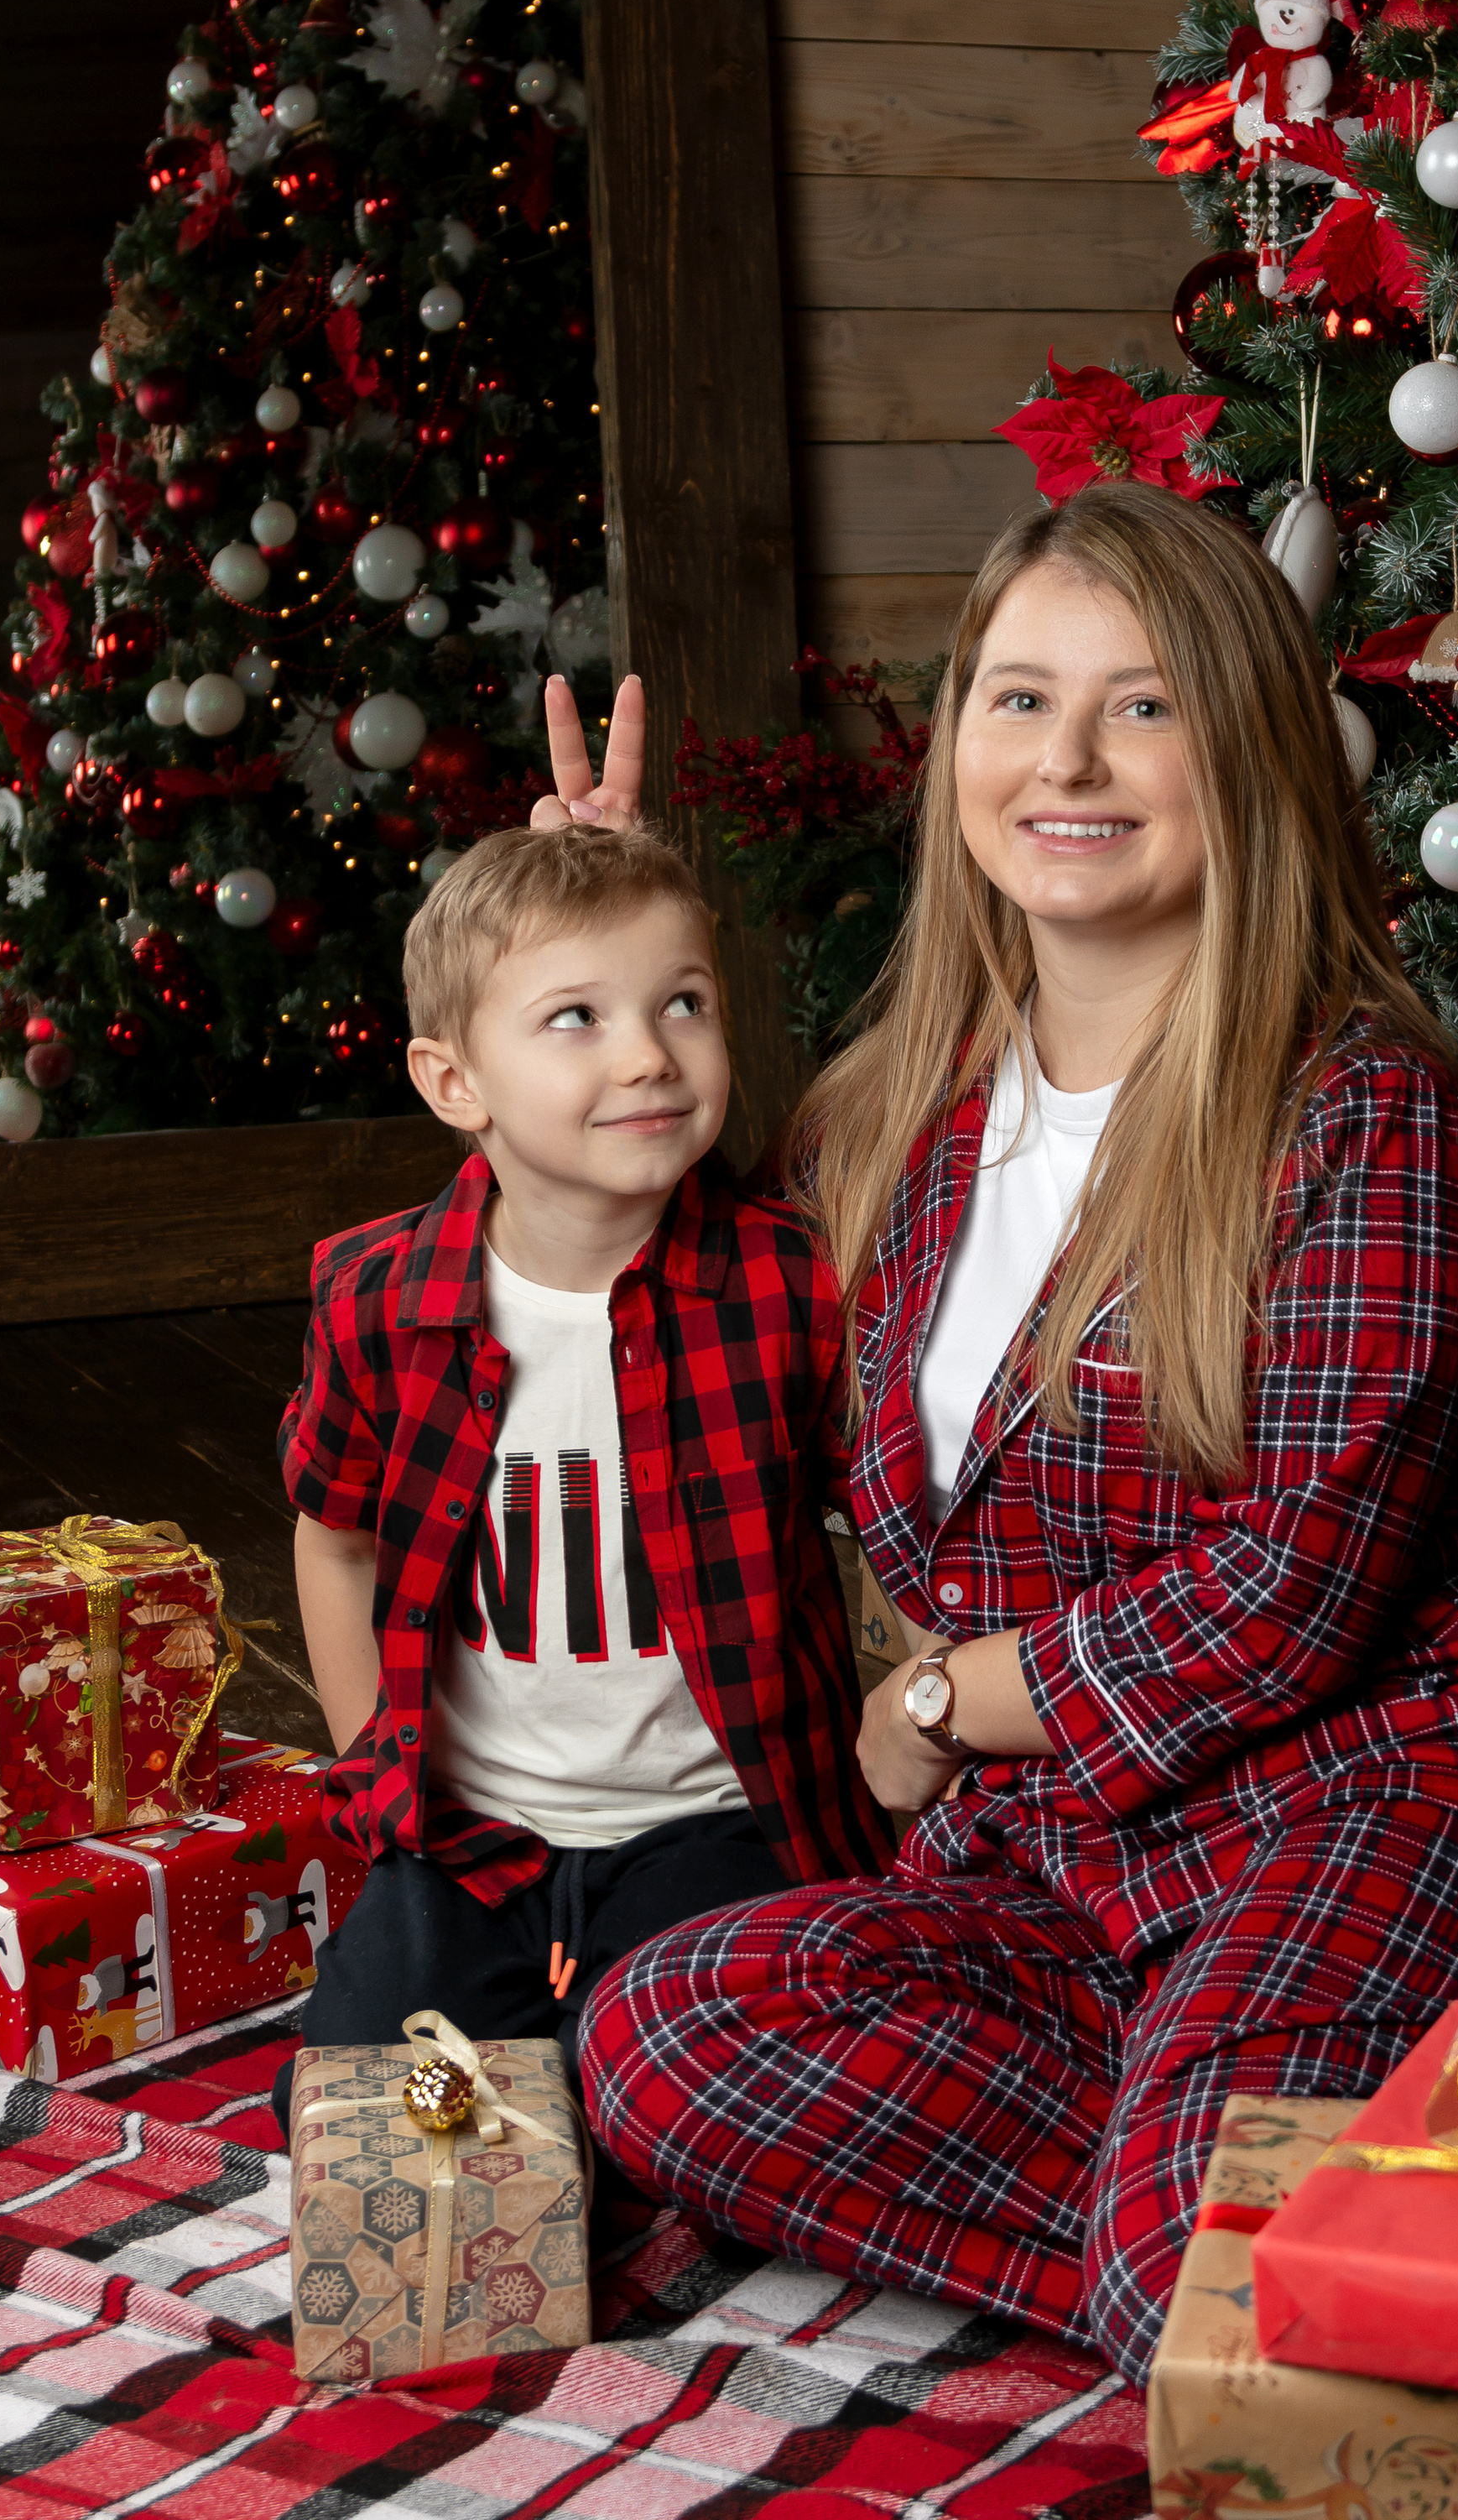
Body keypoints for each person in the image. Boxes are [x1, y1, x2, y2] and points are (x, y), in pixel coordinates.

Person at [544, 481, 1458, 2382]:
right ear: (959, 747)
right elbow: (674, 1363)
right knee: (664, 2038)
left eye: (1140, 706)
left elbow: (1289, 1597)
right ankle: (1353, 2213)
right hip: (1070, 1870)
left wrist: (932, 1705)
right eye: (1019, 700)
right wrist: (578, 972)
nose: (1065, 760)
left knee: (1194, 2275)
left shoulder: (1362, 1113)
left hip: (1405, 1796)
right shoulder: (882, 1124)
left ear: (1245, 750)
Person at [273, 822, 894, 2146]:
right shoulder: (378, 1299)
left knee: (695, 2099)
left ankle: (601, 2086)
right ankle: (532, 2078)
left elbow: (902, 1529)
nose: (649, 1055)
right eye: (577, 1018)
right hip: (475, 1839)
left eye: (684, 1003)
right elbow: (334, 1538)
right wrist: (371, 1760)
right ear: (455, 1081)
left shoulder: (789, 1286)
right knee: (367, 2113)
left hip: (717, 1824)